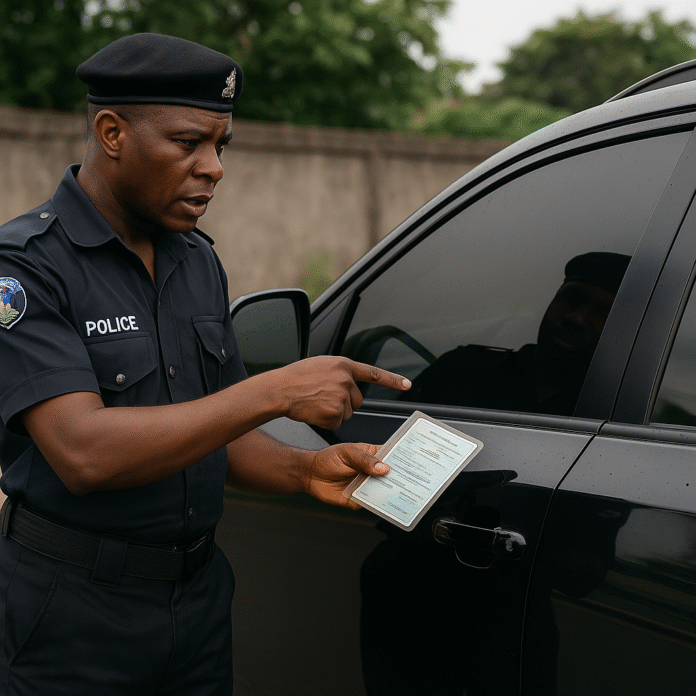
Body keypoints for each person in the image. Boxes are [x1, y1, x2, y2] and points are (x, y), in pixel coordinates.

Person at [0, 34, 410, 695]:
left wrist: (305, 470)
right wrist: (274, 391)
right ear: (111, 132)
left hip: (197, 603)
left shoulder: (197, 261)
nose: (213, 166)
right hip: (71, 614)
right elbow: (84, 454)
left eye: (221, 145)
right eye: (188, 142)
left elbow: (222, 431)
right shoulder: (23, 267)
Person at [407, 251, 631, 415]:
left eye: (604, 313)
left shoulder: (619, 412)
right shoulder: (461, 371)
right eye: (571, 299)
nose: (576, 319)